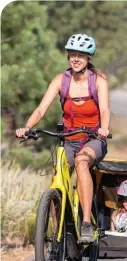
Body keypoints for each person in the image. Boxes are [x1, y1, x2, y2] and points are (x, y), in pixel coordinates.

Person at [16, 33, 110, 242]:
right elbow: (41, 109)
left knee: (82, 161)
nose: (75, 59)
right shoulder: (60, 80)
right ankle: (58, 228)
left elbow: (104, 109)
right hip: (69, 138)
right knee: (58, 171)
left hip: (94, 139)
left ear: (88, 59)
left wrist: (104, 128)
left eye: (81, 55)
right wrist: (27, 127)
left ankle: (86, 223)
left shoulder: (98, 81)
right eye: (72, 55)